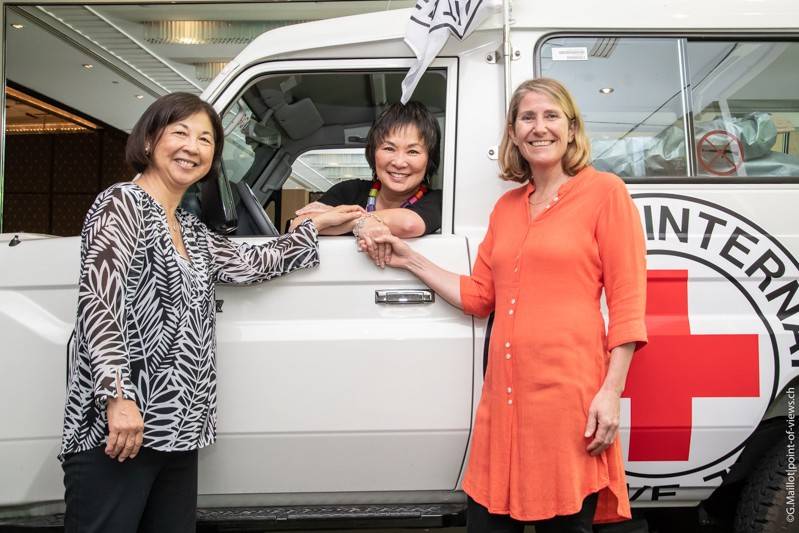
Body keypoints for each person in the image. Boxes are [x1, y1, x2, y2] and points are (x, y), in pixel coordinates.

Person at [58, 92, 361, 533]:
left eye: (205, 139)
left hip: (177, 428)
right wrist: (118, 398)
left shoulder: (191, 229)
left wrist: (312, 227)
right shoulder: (121, 204)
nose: (192, 147)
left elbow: (252, 264)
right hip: (122, 428)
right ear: (148, 140)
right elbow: (99, 304)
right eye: (180, 132)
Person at [366, 78, 647, 532]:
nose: (540, 127)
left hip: (568, 402)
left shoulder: (605, 193)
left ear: (572, 129)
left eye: (551, 115)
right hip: (504, 401)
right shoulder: (508, 208)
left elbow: (629, 303)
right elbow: (480, 296)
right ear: (513, 133)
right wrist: (410, 258)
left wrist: (610, 394)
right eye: (527, 118)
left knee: (566, 523)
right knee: (487, 520)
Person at [290, 101, 442, 242]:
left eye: (413, 151)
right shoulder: (349, 190)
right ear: (373, 152)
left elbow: (408, 224)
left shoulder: (438, 200)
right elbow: (296, 225)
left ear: (429, 159)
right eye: (389, 148)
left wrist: (340, 219)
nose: (399, 162)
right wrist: (363, 222)